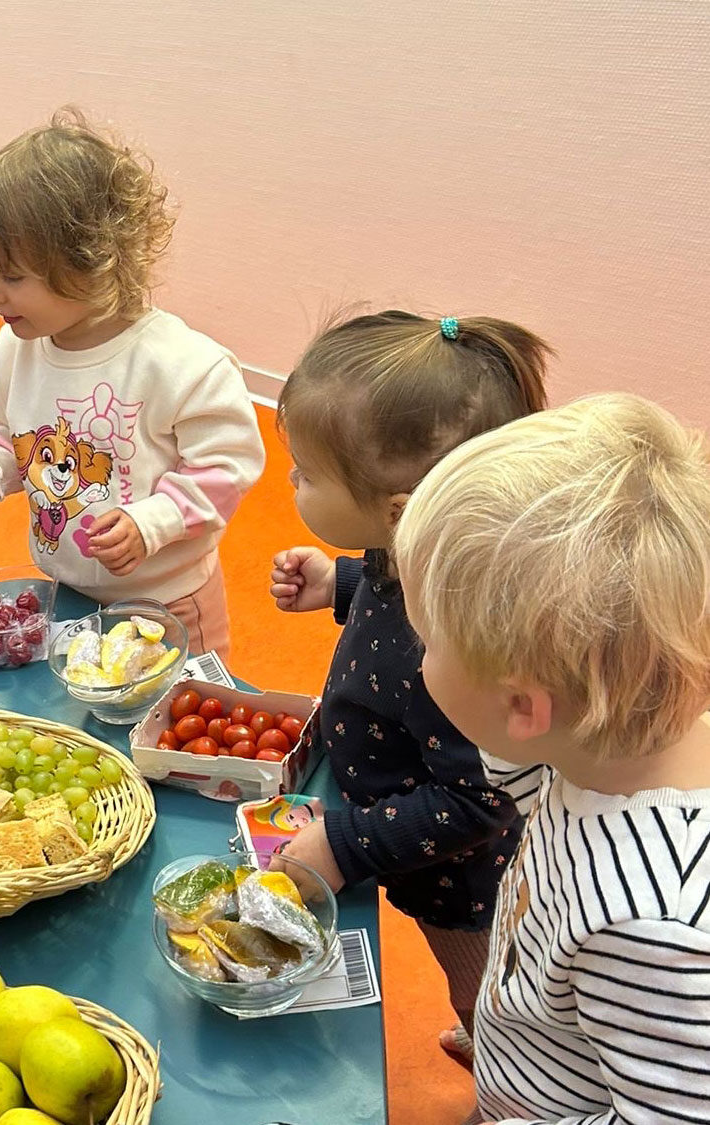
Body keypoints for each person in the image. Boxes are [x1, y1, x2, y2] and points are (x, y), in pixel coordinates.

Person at [393, 393, 710, 1125]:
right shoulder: (609, 737)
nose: (418, 660)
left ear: (524, 707)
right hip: (550, 1037)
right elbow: (520, 769)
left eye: (428, 642)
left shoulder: (652, 929)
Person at [268, 311, 550, 1061]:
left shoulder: (458, 647)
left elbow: (477, 798)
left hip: (464, 887)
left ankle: (503, 1069)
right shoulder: (416, 552)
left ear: (399, 510)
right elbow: (385, 585)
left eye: (306, 471)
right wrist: (342, 580)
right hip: (405, 830)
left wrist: (347, 843)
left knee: (490, 990)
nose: (292, 479)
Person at [0, 111, 265, 659]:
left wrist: (150, 523)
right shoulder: (15, 349)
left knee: (171, 724)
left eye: (12, 275)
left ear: (91, 263)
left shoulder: (183, 366)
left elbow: (228, 470)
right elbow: (8, 426)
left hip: (165, 603)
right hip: (67, 595)